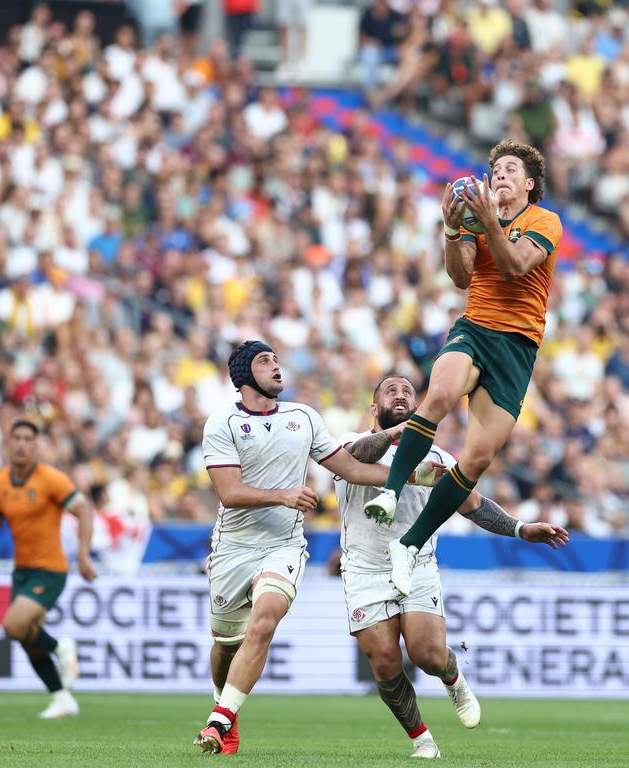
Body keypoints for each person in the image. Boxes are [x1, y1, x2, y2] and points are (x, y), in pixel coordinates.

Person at [193, 342, 442, 754]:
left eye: (276, 359)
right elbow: (229, 492)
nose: (276, 366)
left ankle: (219, 722)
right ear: (243, 377)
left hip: (284, 545)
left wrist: (411, 473)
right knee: (225, 644)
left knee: (264, 620)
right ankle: (227, 709)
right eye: (264, 361)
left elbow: (351, 468)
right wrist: (284, 495)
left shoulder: (304, 417)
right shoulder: (222, 423)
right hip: (233, 546)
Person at [362, 139, 563, 598]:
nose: (501, 175)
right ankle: (391, 494)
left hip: (518, 346)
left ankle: (409, 546)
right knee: (438, 396)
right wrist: (453, 232)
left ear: (529, 184)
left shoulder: (543, 221)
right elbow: (460, 277)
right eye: (496, 169)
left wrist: (485, 220)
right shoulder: (474, 214)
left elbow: (514, 267)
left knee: (476, 458)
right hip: (475, 326)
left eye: (511, 169)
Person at [335, 374, 569, 758]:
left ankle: (453, 678)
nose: (401, 394)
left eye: (409, 391)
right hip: (364, 569)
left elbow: (474, 505)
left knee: (427, 654)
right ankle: (422, 739)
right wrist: (401, 432)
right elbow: (360, 456)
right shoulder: (349, 443)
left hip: (418, 562)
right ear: (374, 409)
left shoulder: (439, 459)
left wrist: (521, 528)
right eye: (391, 390)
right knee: (385, 661)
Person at [0, 419, 96, 719]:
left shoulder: (51, 479)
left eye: (27, 439)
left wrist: (83, 555)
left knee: (12, 625)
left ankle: (61, 647)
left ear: (36, 444)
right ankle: (61, 698)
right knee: (28, 638)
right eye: (15, 437)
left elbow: (83, 509)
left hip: (51, 569)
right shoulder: (0, 481)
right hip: (22, 571)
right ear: (8, 443)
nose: (21, 444)